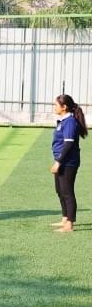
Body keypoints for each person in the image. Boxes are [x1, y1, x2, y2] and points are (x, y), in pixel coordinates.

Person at [50, 94, 87, 233]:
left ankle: (69, 224)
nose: (54, 107)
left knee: (67, 192)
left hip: (68, 162)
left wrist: (58, 162)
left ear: (64, 107)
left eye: (56, 105)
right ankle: (65, 218)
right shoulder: (63, 121)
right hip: (61, 160)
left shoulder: (70, 122)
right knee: (60, 191)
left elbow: (69, 144)